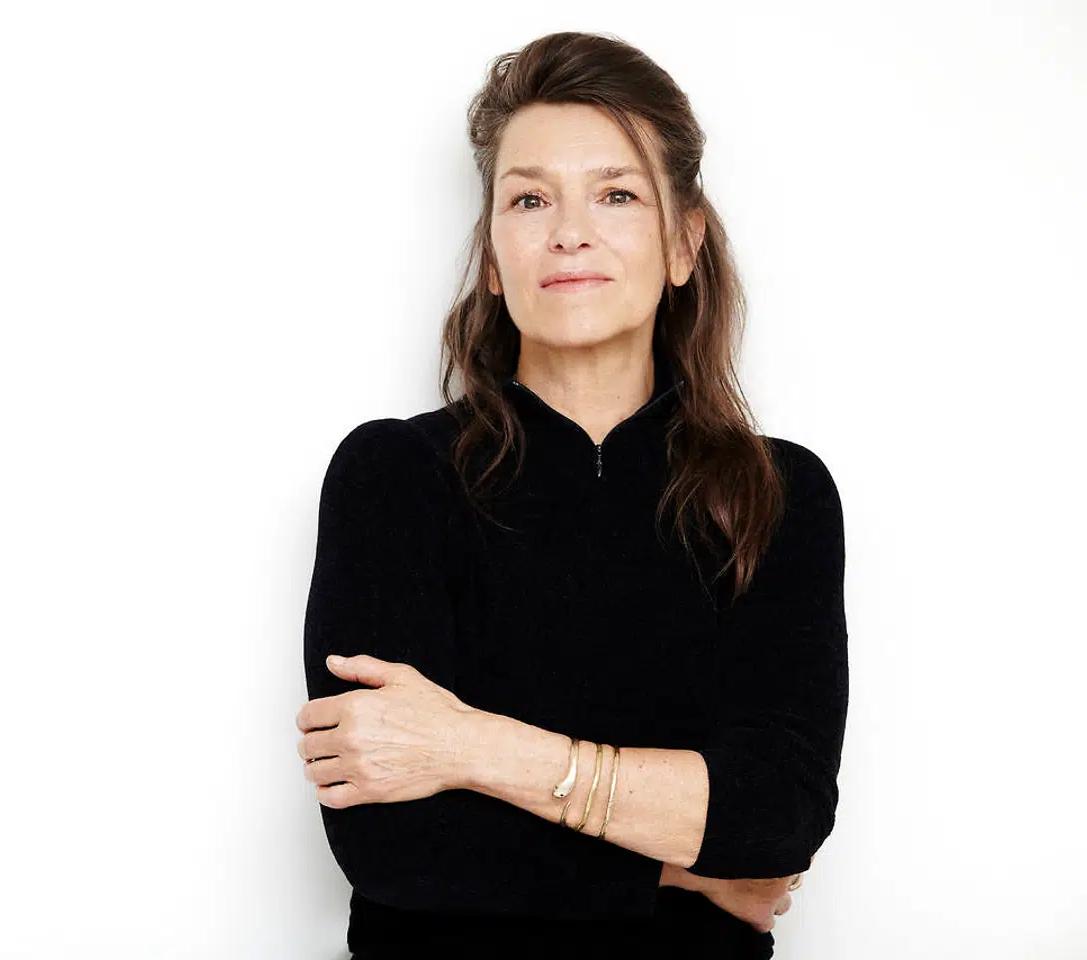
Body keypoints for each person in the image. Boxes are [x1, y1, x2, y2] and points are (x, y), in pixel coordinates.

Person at [296, 31, 847, 960]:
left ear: (684, 243)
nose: (569, 232)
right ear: (494, 252)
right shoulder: (393, 474)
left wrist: (469, 747)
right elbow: (392, 845)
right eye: (529, 198)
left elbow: (777, 817)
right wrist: (687, 865)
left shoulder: (777, 494)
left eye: (617, 194)